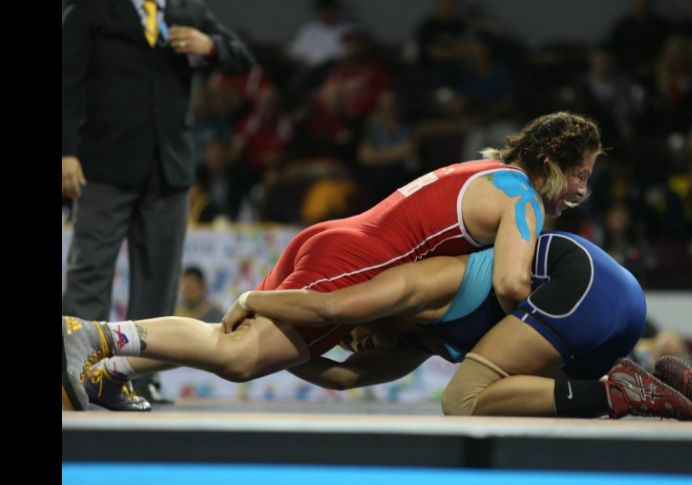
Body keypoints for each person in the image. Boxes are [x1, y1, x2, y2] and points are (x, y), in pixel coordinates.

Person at [66, 111, 602, 410]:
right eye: (580, 175)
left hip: (336, 238)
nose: (580, 190)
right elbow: (512, 287)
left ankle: (109, 370)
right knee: (238, 357)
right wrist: (558, 338)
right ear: (550, 163)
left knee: (227, 341)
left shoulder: (485, 173)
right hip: (356, 260)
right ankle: (91, 334)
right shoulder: (523, 200)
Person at [63, 231, 692, 420]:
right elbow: (342, 375)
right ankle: (652, 376)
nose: (361, 341)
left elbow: (334, 313)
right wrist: (267, 353)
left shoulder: (416, 284)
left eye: (366, 332)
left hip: (581, 277)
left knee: (464, 400)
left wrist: (254, 303)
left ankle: (620, 390)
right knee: (521, 385)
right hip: (605, 306)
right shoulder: (415, 343)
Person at [62, 0, 255, 405]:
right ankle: (73, 375)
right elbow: (67, 83)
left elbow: (242, 59)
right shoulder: (91, 10)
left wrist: (209, 46)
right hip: (103, 164)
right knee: (90, 272)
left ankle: (139, 379)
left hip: (169, 169)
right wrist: (66, 152)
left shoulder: (185, 10)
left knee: (159, 281)